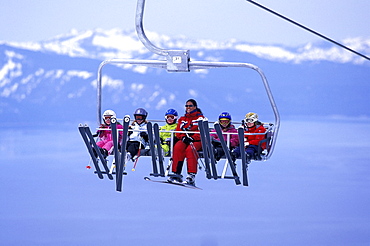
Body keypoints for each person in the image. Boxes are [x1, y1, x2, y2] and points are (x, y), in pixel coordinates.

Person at [168, 99, 204, 185]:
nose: (188, 108)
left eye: (190, 106)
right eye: (187, 106)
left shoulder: (200, 119)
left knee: (190, 150)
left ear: (195, 107)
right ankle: (176, 173)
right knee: (178, 147)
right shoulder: (183, 119)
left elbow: (202, 131)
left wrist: (193, 138)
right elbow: (178, 131)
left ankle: (191, 175)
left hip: (197, 140)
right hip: (185, 139)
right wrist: (183, 137)